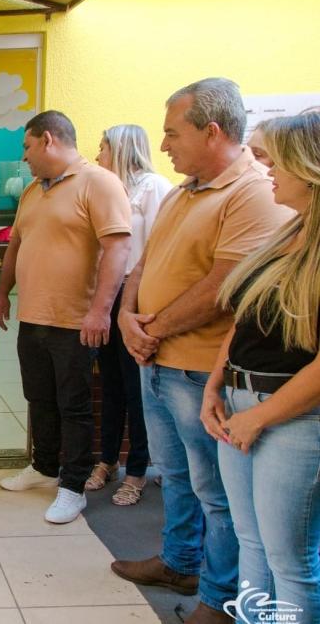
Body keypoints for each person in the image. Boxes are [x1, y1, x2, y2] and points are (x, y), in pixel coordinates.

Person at [112, 78, 294, 624]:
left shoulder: (254, 192)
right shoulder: (183, 191)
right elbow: (143, 264)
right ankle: (178, 562)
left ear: (211, 132)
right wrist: (126, 317)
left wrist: (154, 328)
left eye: (172, 133)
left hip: (199, 371)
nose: (163, 145)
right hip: (157, 360)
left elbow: (225, 285)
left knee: (217, 493)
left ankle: (218, 599)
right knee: (177, 476)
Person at [202, 113, 320, 624]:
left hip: (292, 415)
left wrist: (262, 416)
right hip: (239, 400)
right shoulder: (287, 235)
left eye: (274, 157)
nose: (263, 167)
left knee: (289, 562)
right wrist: (215, 385)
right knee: (251, 544)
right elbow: (245, 320)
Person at [0, 110, 131, 524]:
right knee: (39, 398)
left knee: (74, 405)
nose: (25, 156)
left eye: (27, 146)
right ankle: (44, 467)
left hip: (75, 321)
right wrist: (2, 292)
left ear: (49, 140)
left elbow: (118, 250)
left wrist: (100, 311)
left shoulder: (100, 183)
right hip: (34, 316)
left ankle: (72, 487)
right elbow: (17, 245)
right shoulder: (33, 190)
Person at [87, 124, 172, 506]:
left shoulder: (153, 187)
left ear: (122, 148)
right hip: (107, 292)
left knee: (137, 388)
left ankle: (137, 470)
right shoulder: (109, 189)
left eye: (103, 146)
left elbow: (160, 250)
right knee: (111, 384)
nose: (98, 154)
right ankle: (107, 461)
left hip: (136, 296)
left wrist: (136, 303)